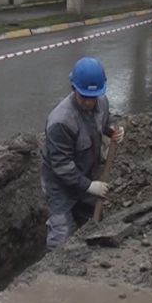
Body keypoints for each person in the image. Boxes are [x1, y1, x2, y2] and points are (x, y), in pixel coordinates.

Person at [40, 57, 125, 249]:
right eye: (84, 96)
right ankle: (54, 270)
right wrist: (89, 186)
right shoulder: (60, 122)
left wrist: (113, 130)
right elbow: (61, 166)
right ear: (74, 89)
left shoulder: (101, 102)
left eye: (92, 97)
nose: (89, 102)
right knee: (61, 236)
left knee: (93, 226)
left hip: (87, 175)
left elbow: (104, 122)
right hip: (60, 186)